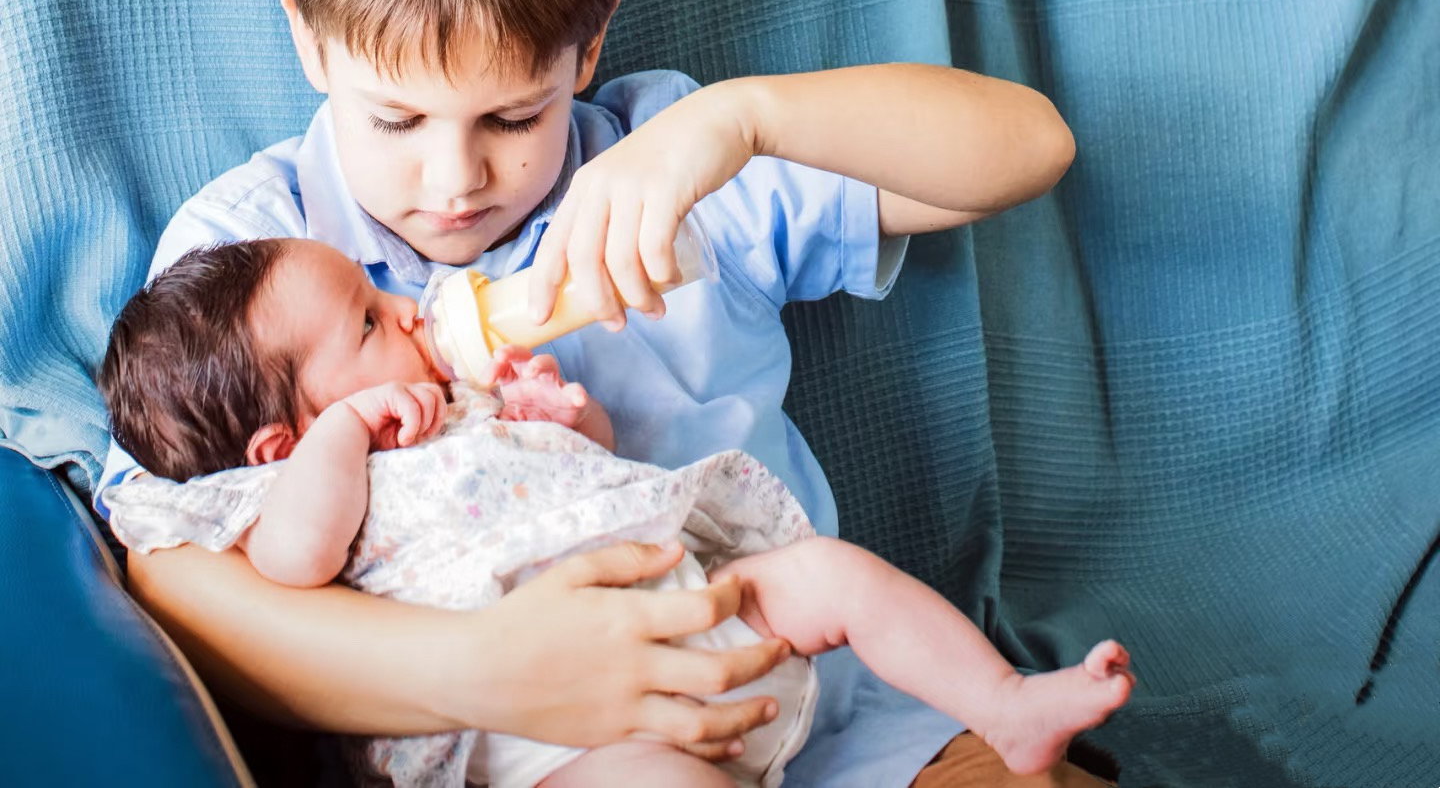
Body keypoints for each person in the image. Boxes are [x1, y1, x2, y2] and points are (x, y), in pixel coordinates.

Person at [107, 0, 1092, 788]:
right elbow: (175, 583)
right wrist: (484, 671)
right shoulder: (248, 262)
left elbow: (1032, 147)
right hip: (539, 752)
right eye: (395, 117)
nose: (455, 178)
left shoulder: (670, 161)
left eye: (513, 115)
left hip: (833, 715)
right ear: (310, 43)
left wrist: (742, 120)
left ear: (585, 51)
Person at [101, 237, 1135, 788]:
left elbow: (588, 478)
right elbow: (292, 560)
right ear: (278, 441)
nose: (410, 307)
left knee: (833, 574)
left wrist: (561, 415)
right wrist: (347, 434)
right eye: (369, 321)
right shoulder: (281, 491)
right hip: (551, 748)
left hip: (694, 604)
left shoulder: (457, 406)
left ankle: (1001, 702)